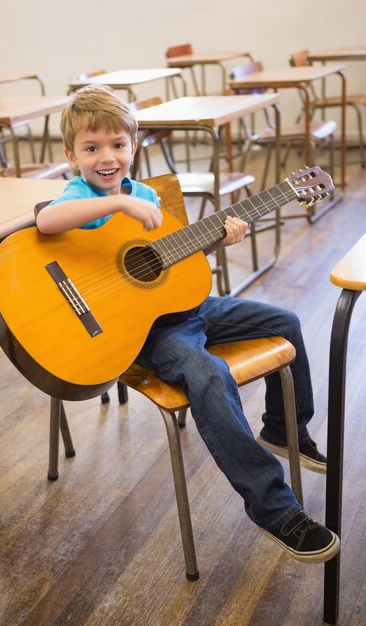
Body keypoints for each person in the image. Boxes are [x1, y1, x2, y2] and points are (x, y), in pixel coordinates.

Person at [36, 84, 339, 564]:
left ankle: (285, 430)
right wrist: (116, 204)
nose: (107, 157)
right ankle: (274, 507)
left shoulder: (148, 194)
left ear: (133, 146)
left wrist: (218, 240)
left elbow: (172, 259)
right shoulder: (80, 195)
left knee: (286, 321)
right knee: (209, 374)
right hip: (148, 331)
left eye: (117, 145)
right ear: (72, 156)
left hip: (190, 308)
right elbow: (50, 221)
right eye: (92, 148)